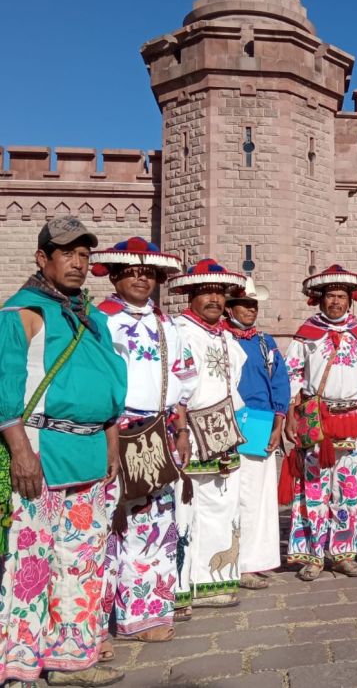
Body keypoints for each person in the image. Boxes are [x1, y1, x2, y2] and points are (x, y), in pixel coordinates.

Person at [0, 216, 127, 687]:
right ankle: (19, 666)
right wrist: (20, 451)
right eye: (67, 253)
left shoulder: (93, 319)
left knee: (82, 559)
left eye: (84, 255)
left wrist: (112, 443)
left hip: (90, 452)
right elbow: (5, 384)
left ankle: (70, 659)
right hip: (41, 453)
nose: (78, 263)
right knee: (30, 561)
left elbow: (111, 384)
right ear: (43, 258)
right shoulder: (22, 312)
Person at [90, 237, 192, 653]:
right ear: (115, 276)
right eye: (131, 272)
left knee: (154, 526)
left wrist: (182, 430)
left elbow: (182, 379)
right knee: (107, 527)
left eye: (147, 273)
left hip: (159, 433)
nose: (140, 279)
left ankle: (145, 614)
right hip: (114, 432)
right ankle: (95, 625)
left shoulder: (169, 325)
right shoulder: (100, 320)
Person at [284, 266, 357, 581]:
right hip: (317, 419)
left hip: (351, 419)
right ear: (320, 299)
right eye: (330, 296)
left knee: (347, 489)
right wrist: (289, 415)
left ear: (350, 300)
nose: (336, 302)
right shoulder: (306, 334)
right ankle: (313, 555)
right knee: (313, 489)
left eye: (341, 296)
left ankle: (343, 553)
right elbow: (292, 374)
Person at [167, 259, 248, 615]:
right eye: (206, 292)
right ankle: (179, 587)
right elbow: (175, 387)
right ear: (191, 295)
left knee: (221, 505)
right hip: (189, 431)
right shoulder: (179, 332)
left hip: (223, 431)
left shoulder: (226, 336)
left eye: (219, 293)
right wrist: (180, 429)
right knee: (183, 508)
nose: (214, 299)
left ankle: (211, 583)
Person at [223, 278, 290, 589]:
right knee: (228, 495)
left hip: (259, 426)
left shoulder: (265, 342)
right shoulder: (220, 338)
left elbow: (280, 382)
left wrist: (278, 424)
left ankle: (250, 561)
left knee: (256, 497)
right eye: (244, 305)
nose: (250, 310)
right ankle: (227, 561)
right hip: (226, 424)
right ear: (229, 308)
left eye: (253, 305)